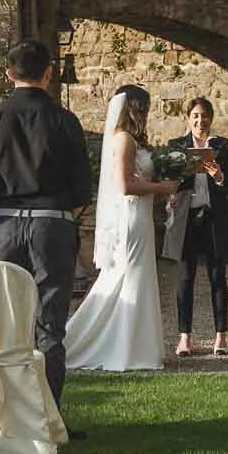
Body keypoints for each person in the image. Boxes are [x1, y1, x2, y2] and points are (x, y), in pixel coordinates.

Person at [0, 39, 91, 413]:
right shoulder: (63, 120)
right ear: (48, 73)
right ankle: (48, 414)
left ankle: (11, 413)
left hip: (8, 222)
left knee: (10, 322)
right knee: (50, 324)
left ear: (8, 73)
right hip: (52, 223)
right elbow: (82, 187)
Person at [67, 85, 180, 372]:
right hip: (131, 217)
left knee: (138, 276)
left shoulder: (135, 141)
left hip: (141, 217)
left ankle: (138, 346)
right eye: (145, 107)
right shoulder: (124, 139)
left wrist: (164, 185)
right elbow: (126, 185)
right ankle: (117, 346)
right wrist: (163, 187)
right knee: (129, 276)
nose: (147, 112)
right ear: (134, 107)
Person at [163, 96, 228, 358]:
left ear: (211, 118)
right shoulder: (177, 146)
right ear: (188, 118)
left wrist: (218, 176)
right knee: (185, 277)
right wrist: (173, 191)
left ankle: (221, 336)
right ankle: (185, 337)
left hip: (214, 217)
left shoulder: (222, 146)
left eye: (204, 115)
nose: (200, 120)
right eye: (195, 115)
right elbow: (168, 182)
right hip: (187, 217)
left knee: (218, 276)